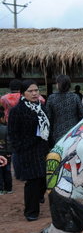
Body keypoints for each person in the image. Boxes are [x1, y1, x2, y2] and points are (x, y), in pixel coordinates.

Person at [8, 80, 50, 221]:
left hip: (42, 149)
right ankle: (31, 213)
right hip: (27, 151)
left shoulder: (42, 108)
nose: (34, 93)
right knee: (33, 181)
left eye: (36, 90)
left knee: (43, 179)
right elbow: (12, 133)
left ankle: (38, 197)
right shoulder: (17, 111)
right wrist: (20, 148)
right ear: (22, 93)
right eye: (30, 91)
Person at [46, 75, 83, 146]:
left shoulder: (51, 98)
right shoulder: (75, 97)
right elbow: (82, 114)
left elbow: (48, 116)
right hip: (73, 131)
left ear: (58, 84)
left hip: (57, 132)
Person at [0, 107, 13, 194]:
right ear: (2, 118)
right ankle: (8, 188)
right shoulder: (6, 128)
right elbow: (9, 141)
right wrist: (9, 152)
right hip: (6, 153)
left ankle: (0, 189)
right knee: (7, 170)